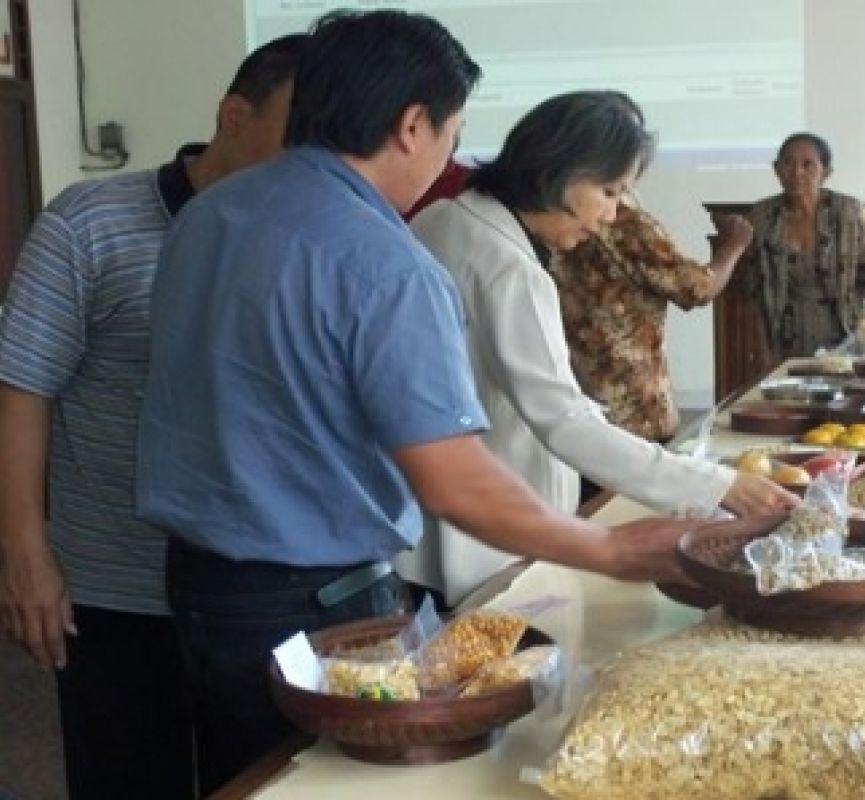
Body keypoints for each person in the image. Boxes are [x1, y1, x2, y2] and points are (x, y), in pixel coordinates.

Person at [135, 12, 697, 794]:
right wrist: (603, 547)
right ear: (411, 126)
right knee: (342, 784)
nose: (452, 155)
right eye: (451, 132)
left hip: (199, 589)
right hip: (315, 601)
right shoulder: (383, 262)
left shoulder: (207, 216)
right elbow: (453, 479)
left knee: (250, 779)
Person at [0, 34, 306, 800]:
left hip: (263, 585)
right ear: (234, 114)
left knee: (269, 782)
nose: (312, 163)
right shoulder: (91, 222)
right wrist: (25, 552)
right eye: (296, 135)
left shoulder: (308, 235)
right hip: (118, 584)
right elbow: (21, 387)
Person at [404, 91, 797, 605]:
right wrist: (717, 487)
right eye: (610, 191)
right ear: (559, 169)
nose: (613, 215)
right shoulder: (508, 267)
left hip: (438, 522)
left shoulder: (443, 219)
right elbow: (561, 418)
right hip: (490, 535)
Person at [549, 202, 753, 444]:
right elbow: (697, 288)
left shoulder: (553, 220)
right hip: (635, 411)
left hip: (575, 403)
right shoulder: (623, 223)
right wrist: (733, 246)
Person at [742, 132, 865, 358]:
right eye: (788, 163)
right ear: (777, 169)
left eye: (807, 164)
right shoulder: (762, 216)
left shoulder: (847, 211)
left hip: (845, 337)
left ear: (826, 172)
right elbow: (753, 290)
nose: (797, 172)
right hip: (783, 337)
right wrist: (761, 348)